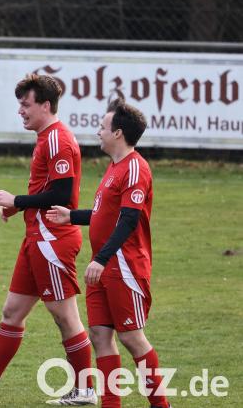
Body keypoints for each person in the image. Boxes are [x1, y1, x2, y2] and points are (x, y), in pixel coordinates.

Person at [0, 74, 97, 405]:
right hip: (37, 238)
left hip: (52, 241)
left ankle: (85, 390)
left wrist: (18, 200)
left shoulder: (58, 140)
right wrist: (20, 208)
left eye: (26, 105)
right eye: (19, 105)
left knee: (65, 316)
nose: (20, 111)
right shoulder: (46, 138)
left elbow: (63, 194)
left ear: (45, 105)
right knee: (12, 311)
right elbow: (49, 188)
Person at [46, 99, 171, 408]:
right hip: (103, 267)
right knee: (101, 336)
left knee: (132, 337)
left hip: (124, 266)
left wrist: (101, 259)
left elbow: (128, 219)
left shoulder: (135, 168)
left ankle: (161, 405)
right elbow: (106, 213)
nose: (98, 132)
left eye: (102, 127)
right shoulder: (115, 167)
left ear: (117, 133)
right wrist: (72, 217)